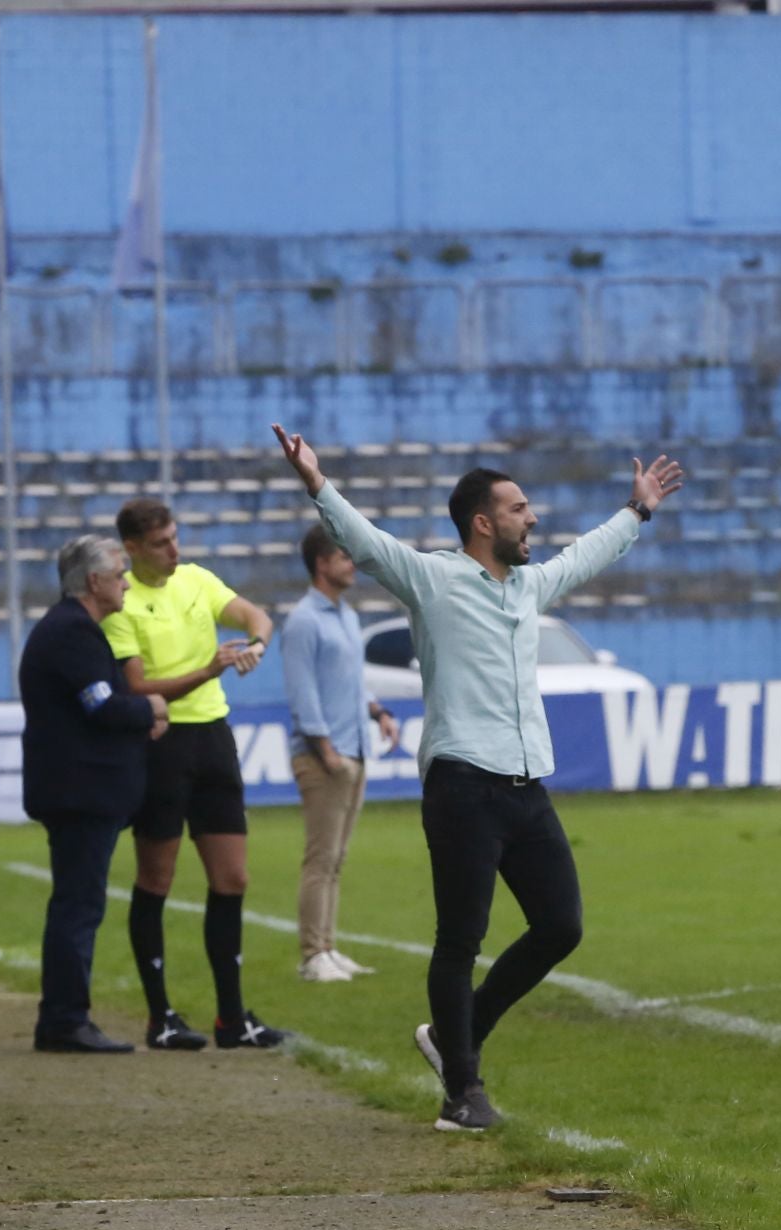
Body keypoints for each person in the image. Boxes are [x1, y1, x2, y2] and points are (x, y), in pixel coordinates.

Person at [273, 423, 683, 1130]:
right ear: (483, 522)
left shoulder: (527, 586)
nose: (535, 519)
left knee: (561, 925)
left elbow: (583, 556)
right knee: (459, 940)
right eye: (521, 509)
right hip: (463, 785)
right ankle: (462, 1092)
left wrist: (637, 511)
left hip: (528, 785)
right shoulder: (434, 579)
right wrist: (317, 483)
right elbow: (368, 543)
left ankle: (453, 1038)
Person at [101, 498, 287, 1052]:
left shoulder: (197, 579)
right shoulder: (123, 603)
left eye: (176, 538)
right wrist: (211, 667)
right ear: (132, 549)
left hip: (213, 738)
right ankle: (160, 1016)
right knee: (156, 879)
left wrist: (255, 645)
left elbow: (258, 616)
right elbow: (137, 689)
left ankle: (232, 1018)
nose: (174, 550)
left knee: (233, 879)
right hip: (160, 744)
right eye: (161, 543)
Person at [19, 535, 168, 1053]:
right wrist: (149, 710)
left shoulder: (72, 630)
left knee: (77, 903)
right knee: (78, 906)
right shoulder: (72, 633)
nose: (126, 581)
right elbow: (102, 708)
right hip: (79, 793)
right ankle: (64, 1018)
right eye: (120, 573)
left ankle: (62, 1015)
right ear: (94, 581)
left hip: (79, 792)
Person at [281, 522, 401, 982]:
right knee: (320, 857)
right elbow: (303, 693)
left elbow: (350, 683)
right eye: (343, 556)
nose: (352, 564)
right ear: (321, 564)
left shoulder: (346, 616)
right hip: (325, 757)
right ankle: (313, 954)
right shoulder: (304, 621)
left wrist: (377, 712)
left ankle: (327, 947)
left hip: (354, 750)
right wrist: (326, 751)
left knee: (337, 857)